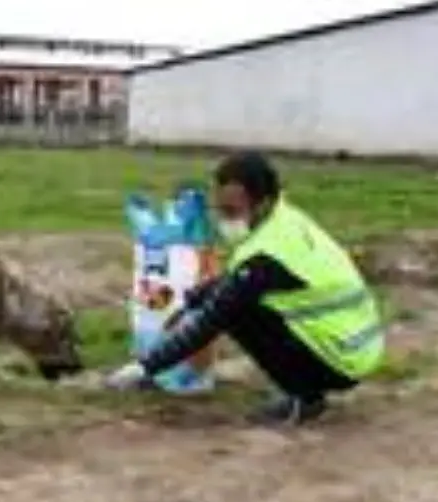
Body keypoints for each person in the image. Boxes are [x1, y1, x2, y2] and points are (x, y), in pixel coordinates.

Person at [106, 150, 385, 426]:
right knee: (236, 300)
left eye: (231, 211)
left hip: (342, 358)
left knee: (237, 312)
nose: (224, 220)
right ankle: (308, 389)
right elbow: (233, 280)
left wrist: (145, 368)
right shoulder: (284, 220)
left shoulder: (269, 254)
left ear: (261, 203)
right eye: (220, 209)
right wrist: (190, 301)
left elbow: (212, 319)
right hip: (356, 342)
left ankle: (305, 396)